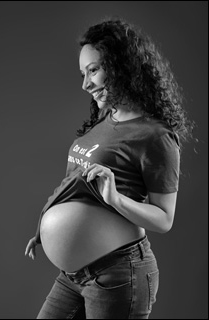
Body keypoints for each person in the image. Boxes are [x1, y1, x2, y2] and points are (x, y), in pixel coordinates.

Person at [25, 18, 195, 319]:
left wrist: (115, 198)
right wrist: (45, 227)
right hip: (73, 275)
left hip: (118, 273)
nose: (85, 83)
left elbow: (164, 219)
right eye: (83, 73)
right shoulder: (104, 121)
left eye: (94, 70)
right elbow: (74, 184)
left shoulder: (156, 135)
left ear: (122, 65)